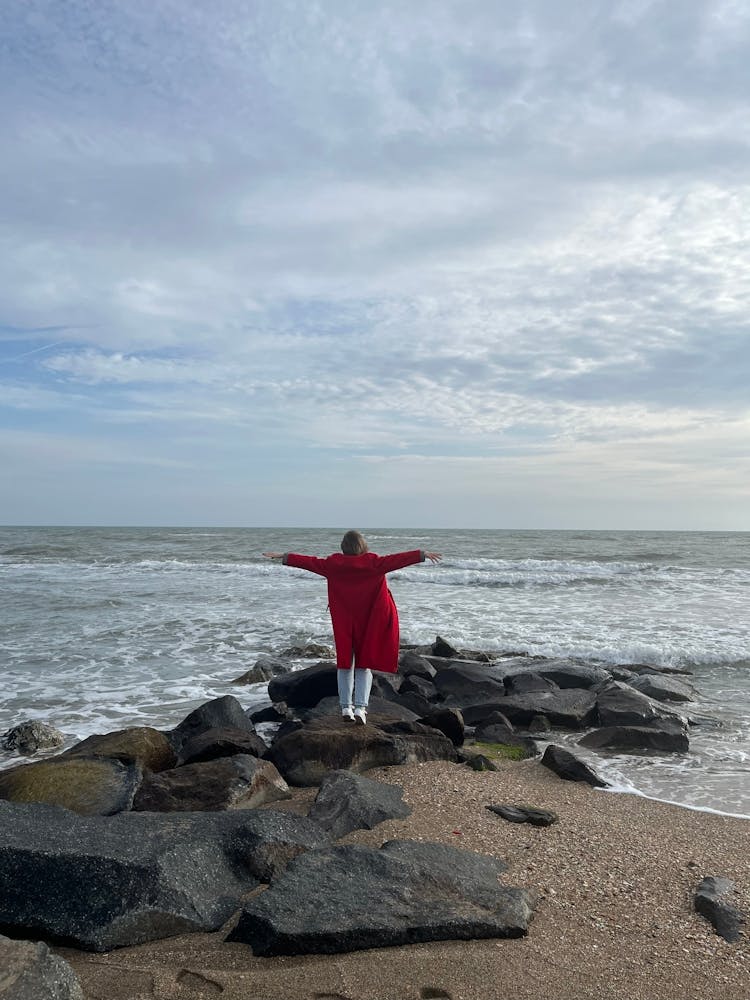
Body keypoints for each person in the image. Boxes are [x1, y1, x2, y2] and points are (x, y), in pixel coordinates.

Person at [263, 531, 442, 724]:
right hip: (370, 620)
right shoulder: (374, 563)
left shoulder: (333, 565)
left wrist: (285, 556)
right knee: (364, 665)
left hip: (344, 621)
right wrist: (421, 554)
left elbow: (310, 562)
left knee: (345, 664)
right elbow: (398, 559)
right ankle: (360, 709)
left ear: (344, 547)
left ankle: (346, 708)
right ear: (363, 546)